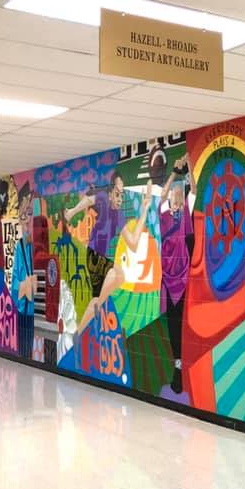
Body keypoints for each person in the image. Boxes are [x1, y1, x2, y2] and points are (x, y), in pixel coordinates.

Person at [65, 172, 154, 333]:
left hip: (101, 258)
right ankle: (98, 304)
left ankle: (80, 330)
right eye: (117, 194)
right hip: (93, 255)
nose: (120, 199)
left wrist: (145, 211)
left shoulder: (119, 215)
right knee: (117, 273)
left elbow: (133, 244)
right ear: (111, 193)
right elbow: (88, 200)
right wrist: (72, 212)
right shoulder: (104, 200)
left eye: (122, 195)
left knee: (104, 290)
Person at [158, 155, 195, 394]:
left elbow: (194, 189)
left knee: (182, 324)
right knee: (173, 324)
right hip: (170, 281)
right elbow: (162, 196)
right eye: (174, 194)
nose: (175, 196)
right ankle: (178, 365)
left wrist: (188, 163)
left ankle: (183, 366)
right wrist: (174, 171)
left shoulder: (185, 218)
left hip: (183, 280)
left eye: (179, 194)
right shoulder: (165, 218)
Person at [11, 183, 37, 360]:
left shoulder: (32, 246)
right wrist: (26, 285)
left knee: (28, 348)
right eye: (24, 214)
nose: (27, 220)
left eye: (30, 213)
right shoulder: (20, 247)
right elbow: (16, 281)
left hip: (32, 308)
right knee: (24, 350)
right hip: (24, 307)